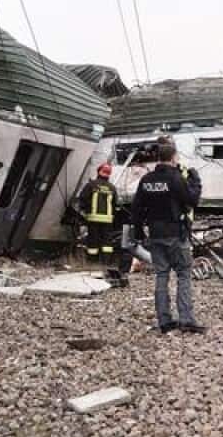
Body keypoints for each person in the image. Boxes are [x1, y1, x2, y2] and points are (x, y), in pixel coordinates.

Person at [132, 143, 205, 334]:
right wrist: (195, 181)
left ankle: (164, 320)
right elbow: (192, 200)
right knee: (183, 274)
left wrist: (139, 232)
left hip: (155, 234)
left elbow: (136, 208)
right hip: (175, 234)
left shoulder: (146, 180)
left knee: (162, 275)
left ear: (158, 158)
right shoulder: (175, 178)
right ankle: (186, 320)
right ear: (173, 158)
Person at [77, 163, 118, 264]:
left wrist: (84, 210)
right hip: (107, 220)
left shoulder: (91, 185)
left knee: (93, 241)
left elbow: (82, 198)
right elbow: (115, 204)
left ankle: (92, 261)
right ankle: (106, 262)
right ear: (109, 174)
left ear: (99, 171)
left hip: (93, 218)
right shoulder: (112, 187)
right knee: (107, 242)